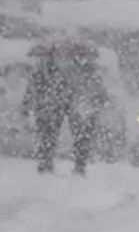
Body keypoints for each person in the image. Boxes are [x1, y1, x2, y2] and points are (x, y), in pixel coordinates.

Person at [22, 36, 110, 175]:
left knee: (54, 134)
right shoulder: (83, 68)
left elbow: (35, 85)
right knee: (65, 134)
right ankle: (63, 164)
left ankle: (52, 164)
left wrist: (29, 102)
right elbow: (96, 85)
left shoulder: (49, 67)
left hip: (60, 102)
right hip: (65, 103)